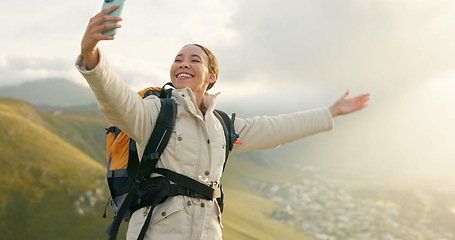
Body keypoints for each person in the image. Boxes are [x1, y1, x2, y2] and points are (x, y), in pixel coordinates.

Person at [76, 5, 370, 240]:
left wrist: (330, 112)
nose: (184, 63)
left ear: (211, 76)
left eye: (195, 59)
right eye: (178, 59)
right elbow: (117, 101)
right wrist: (91, 54)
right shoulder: (154, 113)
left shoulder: (223, 126)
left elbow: (277, 128)